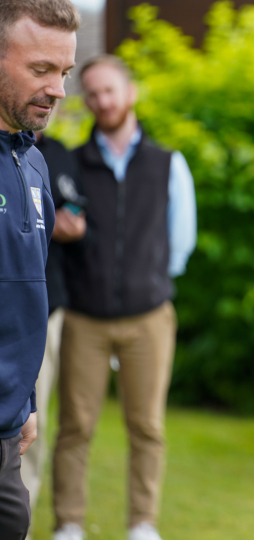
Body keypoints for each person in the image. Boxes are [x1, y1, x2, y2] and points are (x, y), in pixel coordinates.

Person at [52, 55, 197, 540]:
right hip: (83, 317)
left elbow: (181, 242)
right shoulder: (71, 162)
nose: (102, 100)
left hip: (149, 318)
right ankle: (69, 523)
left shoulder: (168, 163)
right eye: (91, 93)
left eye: (110, 90)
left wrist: (147, 282)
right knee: (74, 428)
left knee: (148, 428)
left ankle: (142, 525)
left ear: (130, 93)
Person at [0, 0, 79, 537]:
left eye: (65, 72)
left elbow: (25, 293)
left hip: (7, 426)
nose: (59, 90)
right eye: (40, 69)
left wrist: (25, 399)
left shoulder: (33, 162)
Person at [20, 128, 87, 535]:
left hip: (44, 308)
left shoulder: (56, 154)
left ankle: (18, 523)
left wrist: (68, 222)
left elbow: (75, 212)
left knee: (31, 421)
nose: (54, 93)